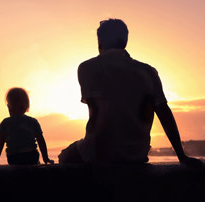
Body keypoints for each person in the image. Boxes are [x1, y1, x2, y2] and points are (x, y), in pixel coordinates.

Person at [59, 19, 202, 167]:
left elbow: (97, 113)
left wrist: (99, 159)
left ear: (100, 42)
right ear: (125, 41)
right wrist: (181, 156)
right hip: (137, 153)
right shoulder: (148, 71)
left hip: (101, 152)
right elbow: (164, 112)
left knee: (64, 157)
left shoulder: (87, 67)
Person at [0, 87, 54, 165]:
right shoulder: (33, 121)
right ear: (26, 106)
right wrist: (45, 158)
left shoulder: (5, 122)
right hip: (31, 156)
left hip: (13, 158)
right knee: (35, 162)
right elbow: (41, 141)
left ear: (9, 106)